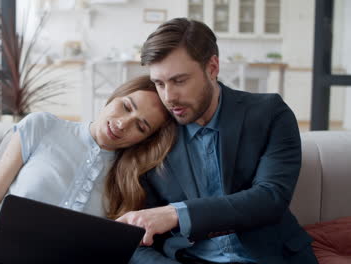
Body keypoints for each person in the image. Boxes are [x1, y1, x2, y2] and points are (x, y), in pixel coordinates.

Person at [117, 18, 318, 264]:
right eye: (160, 83)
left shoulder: (270, 114)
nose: (169, 97)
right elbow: (134, 236)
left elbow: (270, 198)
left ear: (212, 68)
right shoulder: (154, 133)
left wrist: (177, 214)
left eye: (180, 81)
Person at [0, 75, 177, 263]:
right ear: (114, 97)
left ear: (144, 139)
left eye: (140, 127)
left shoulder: (130, 181)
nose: (122, 124)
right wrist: (6, 253)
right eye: (126, 106)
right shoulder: (41, 126)